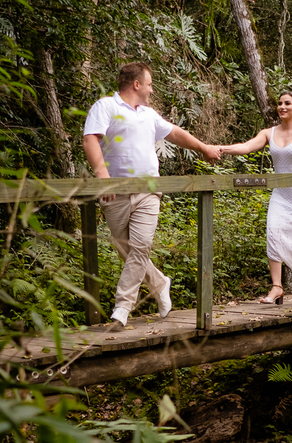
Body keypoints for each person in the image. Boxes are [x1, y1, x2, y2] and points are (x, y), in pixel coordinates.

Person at [83, 62, 222, 327]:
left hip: (149, 190)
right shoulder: (106, 106)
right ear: (136, 84)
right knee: (126, 249)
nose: (151, 89)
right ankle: (159, 283)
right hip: (115, 192)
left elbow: (175, 133)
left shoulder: (148, 114)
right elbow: (90, 138)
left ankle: (122, 308)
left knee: (140, 247)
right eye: (149, 84)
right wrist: (103, 176)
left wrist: (203, 148)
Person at [219, 91, 292, 303]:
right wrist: (222, 148)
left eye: (287, 103)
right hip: (281, 196)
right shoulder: (269, 133)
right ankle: (277, 287)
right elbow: (247, 147)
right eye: (280, 104)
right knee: (273, 232)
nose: (282, 107)